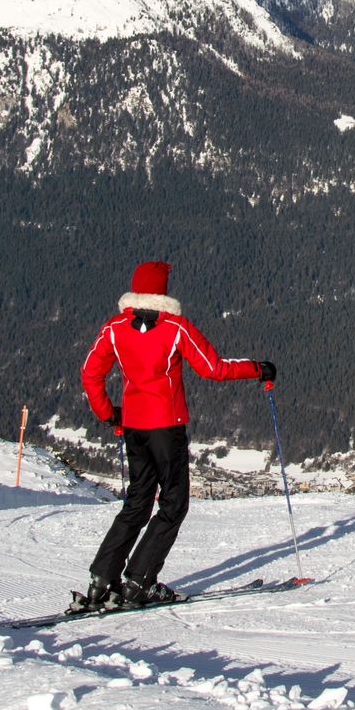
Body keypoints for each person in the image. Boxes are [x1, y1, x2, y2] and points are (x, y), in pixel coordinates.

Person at [74, 260, 273, 610]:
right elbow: (214, 369)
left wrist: (109, 415)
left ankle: (101, 580)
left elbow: (90, 374)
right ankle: (140, 582)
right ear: (163, 292)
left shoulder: (114, 328)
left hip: (134, 429)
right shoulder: (175, 328)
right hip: (166, 427)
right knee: (173, 505)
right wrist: (257, 368)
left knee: (136, 504)